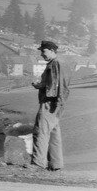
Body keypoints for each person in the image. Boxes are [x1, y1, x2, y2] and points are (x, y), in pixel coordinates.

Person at [28, 40, 71, 171]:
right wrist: (40, 85)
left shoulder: (56, 64)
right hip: (54, 103)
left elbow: (60, 86)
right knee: (53, 133)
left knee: (40, 132)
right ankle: (55, 164)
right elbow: (53, 84)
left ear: (52, 50)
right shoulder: (55, 63)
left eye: (43, 51)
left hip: (50, 103)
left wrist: (57, 103)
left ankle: (38, 164)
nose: (41, 54)